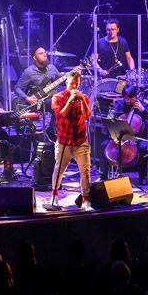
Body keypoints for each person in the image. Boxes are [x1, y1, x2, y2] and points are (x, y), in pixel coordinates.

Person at [46, 71, 93, 210]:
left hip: (80, 140)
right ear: (66, 82)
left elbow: (87, 114)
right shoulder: (57, 97)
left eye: (77, 84)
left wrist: (82, 100)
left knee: (85, 171)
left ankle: (85, 200)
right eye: (72, 83)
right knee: (59, 169)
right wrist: (71, 100)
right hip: (63, 141)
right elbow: (62, 115)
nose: (74, 86)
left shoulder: (83, 97)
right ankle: (54, 197)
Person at [100, 85, 148, 187]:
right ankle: (103, 175)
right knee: (104, 145)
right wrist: (111, 118)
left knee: (143, 148)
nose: (129, 100)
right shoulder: (120, 104)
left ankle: (142, 177)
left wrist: (143, 110)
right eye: (126, 98)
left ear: (136, 96)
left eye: (131, 98)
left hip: (138, 138)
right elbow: (111, 117)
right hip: (120, 136)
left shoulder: (142, 105)